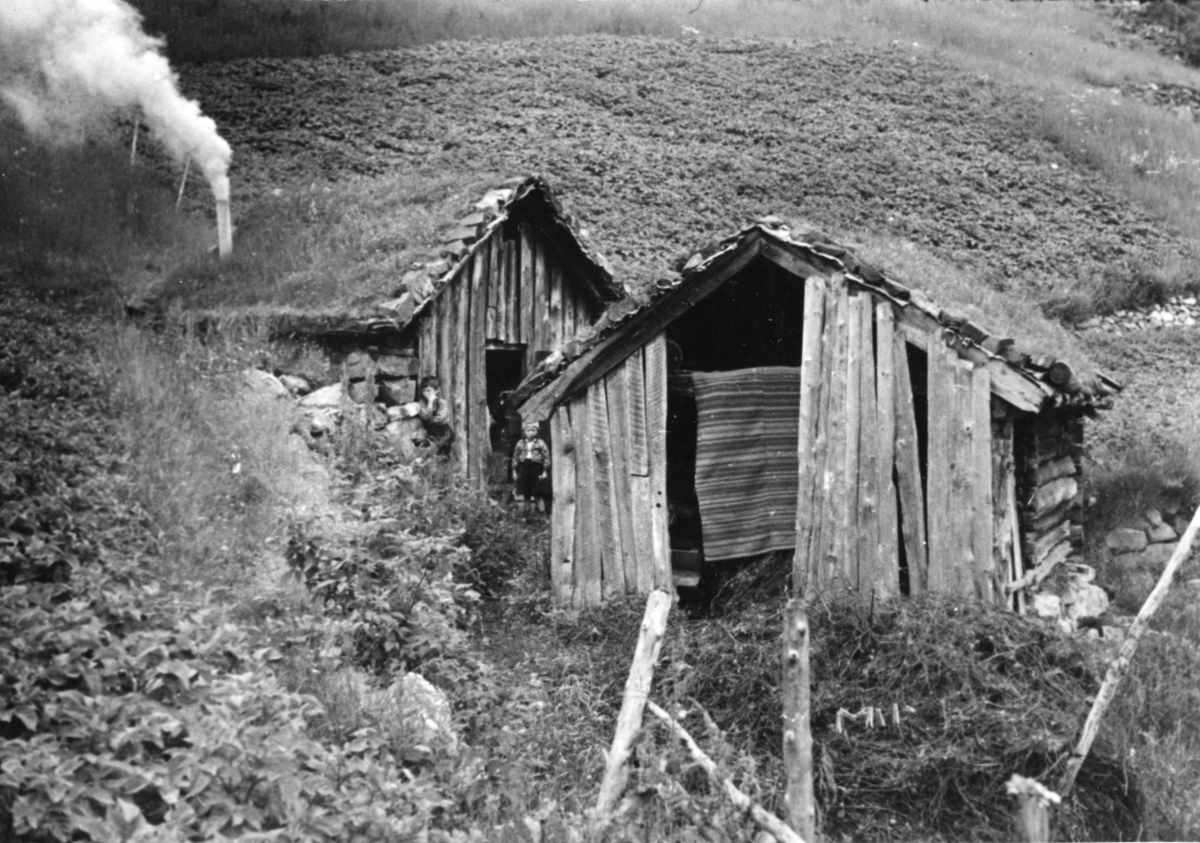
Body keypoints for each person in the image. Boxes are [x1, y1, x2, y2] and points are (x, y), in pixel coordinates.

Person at [408, 376, 454, 457]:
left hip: (443, 431)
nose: (426, 393)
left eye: (429, 390)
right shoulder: (422, 403)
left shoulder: (442, 403)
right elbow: (425, 417)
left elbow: (439, 418)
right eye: (423, 391)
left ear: (436, 390)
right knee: (429, 452)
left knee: (443, 454)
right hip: (430, 431)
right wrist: (429, 403)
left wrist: (430, 416)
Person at [512, 422, 550, 513]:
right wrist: (514, 470)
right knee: (526, 491)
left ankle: (542, 513)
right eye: (528, 430)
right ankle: (527, 513)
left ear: (537, 431)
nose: (531, 433)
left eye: (533, 430)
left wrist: (545, 470)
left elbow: (546, 457)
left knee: (537, 492)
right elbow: (515, 457)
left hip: (536, 468)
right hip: (524, 467)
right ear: (524, 432)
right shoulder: (520, 443)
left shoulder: (540, 443)